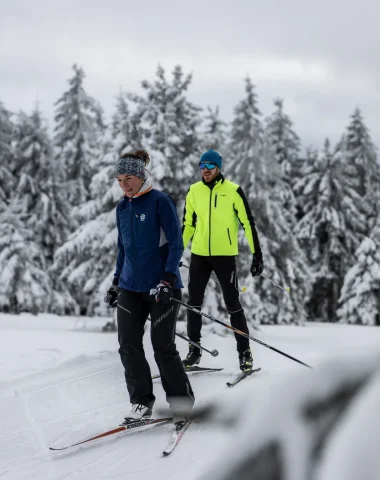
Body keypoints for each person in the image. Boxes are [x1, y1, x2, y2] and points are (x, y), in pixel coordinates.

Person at [105, 149, 194, 426]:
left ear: (141, 175)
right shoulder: (122, 207)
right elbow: (123, 249)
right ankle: (141, 401)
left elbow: (176, 244)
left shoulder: (160, 201)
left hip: (161, 289)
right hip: (131, 288)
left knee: (162, 347)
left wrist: (168, 279)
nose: (124, 184)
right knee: (128, 346)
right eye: (119, 179)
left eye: (128, 177)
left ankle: (181, 403)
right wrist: (116, 281)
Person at [181, 150, 264, 372]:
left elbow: (248, 223)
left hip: (225, 256)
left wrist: (258, 255)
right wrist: (174, 253)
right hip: (199, 254)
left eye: (209, 165)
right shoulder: (194, 191)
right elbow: (188, 224)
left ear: (218, 167)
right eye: (202, 166)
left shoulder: (233, 191)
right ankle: (194, 351)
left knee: (232, 303)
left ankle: (245, 354)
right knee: (193, 303)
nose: (205, 170)